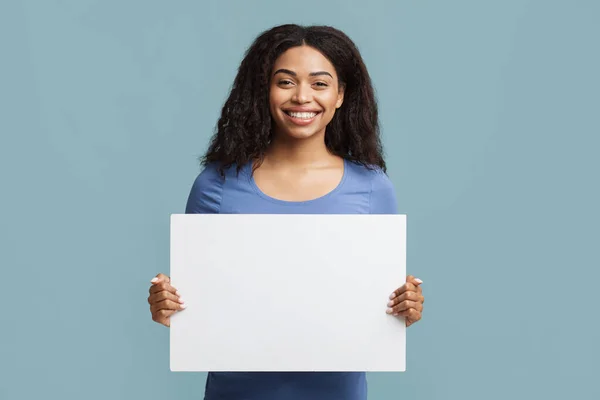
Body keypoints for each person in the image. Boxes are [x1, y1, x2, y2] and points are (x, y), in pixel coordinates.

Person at [147, 23, 425, 400]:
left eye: (320, 83)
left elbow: (376, 307)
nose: (302, 97)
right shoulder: (217, 185)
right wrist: (168, 308)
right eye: (286, 81)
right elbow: (197, 304)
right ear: (264, 91)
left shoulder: (373, 188)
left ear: (341, 95)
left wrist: (403, 308)